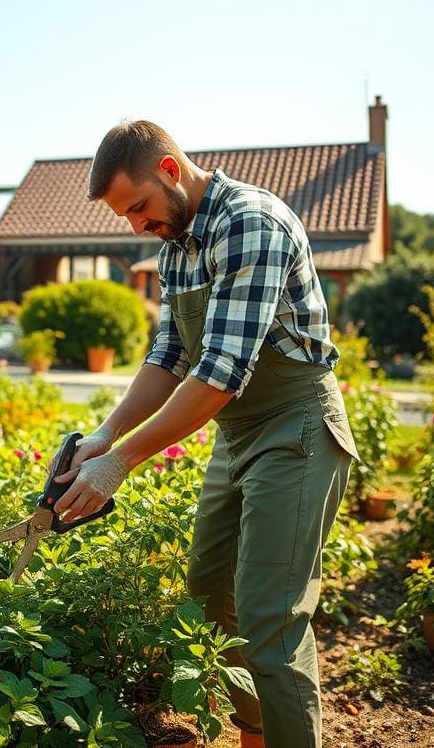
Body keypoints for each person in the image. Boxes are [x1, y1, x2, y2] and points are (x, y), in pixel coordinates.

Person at [50, 120, 359, 748]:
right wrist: (105, 437)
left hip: (296, 426)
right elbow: (168, 356)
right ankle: (256, 735)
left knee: (270, 617)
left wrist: (120, 464)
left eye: (138, 206)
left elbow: (218, 374)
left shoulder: (250, 223)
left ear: (170, 170)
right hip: (237, 433)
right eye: (124, 216)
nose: (136, 225)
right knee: (212, 600)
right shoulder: (175, 243)